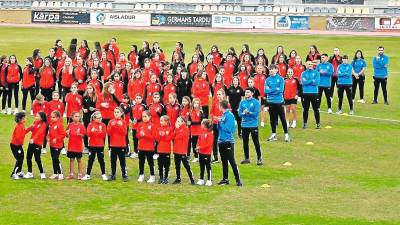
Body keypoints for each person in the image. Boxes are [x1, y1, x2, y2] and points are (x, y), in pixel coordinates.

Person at [217, 100, 242, 186]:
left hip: (228, 141)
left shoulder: (230, 115)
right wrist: (218, 122)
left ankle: (238, 180)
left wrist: (220, 122)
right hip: (221, 141)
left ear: (221, 106)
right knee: (224, 161)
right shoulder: (223, 115)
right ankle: (225, 179)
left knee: (231, 161)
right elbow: (220, 128)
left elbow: (229, 129)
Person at [265, 64, 290, 142]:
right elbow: (266, 91)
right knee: (272, 119)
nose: (271, 71)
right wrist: (275, 88)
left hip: (279, 102)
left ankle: (286, 134)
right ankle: (273, 134)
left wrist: (271, 90)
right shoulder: (267, 80)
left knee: (282, 118)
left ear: (276, 70)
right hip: (270, 102)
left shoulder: (281, 79)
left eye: (273, 69)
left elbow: (281, 90)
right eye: (270, 69)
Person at [81, 111, 108, 181]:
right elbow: (88, 134)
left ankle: (103, 174)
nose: (100, 119)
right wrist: (96, 132)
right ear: (94, 118)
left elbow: (103, 135)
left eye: (100, 118)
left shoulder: (103, 125)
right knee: (91, 160)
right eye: (98, 118)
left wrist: (95, 132)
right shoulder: (90, 125)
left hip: (100, 145)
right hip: (92, 145)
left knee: (101, 160)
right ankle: (87, 174)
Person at [238, 88, 262, 165]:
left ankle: (259, 158)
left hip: (253, 125)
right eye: (245, 92)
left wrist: (249, 112)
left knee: (256, 142)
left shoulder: (256, 102)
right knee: (245, 142)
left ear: (252, 93)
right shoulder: (242, 102)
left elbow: (256, 114)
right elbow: (239, 114)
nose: (246, 93)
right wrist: (243, 113)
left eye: (248, 92)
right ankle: (247, 158)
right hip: (244, 125)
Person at [23, 111, 47, 179]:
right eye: (36, 116)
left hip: (37, 144)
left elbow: (39, 132)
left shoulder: (44, 124)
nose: (35, 117)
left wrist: (33, 139)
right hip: (31, 143)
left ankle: (42, 173)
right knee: (28, 157)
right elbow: (31, 128)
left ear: (41, 118)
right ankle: (30, 173)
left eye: (37, 116)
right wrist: (23, 132)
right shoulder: (35, 122)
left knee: (37, 159)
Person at [107, 107, 128, 181]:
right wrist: (113, 126)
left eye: (117, 112)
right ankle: (113, 174)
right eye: (115, 112)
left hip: (121, 144)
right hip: (113, 144)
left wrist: (120, 126)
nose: (116, 113)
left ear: (121, 113)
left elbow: (124, 133)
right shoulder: (111, 122)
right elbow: (109, 133)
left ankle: (124, 175)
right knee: (113, 160)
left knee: (122, 161)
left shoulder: (123, 122)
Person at [172, 116, 195, 185]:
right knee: (177, 165)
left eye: (178, 121)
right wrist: (176, 129)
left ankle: (191, 178)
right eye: (177, 121)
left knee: (186, 165)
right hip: (176, 149)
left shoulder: (186, 129)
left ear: (183, 122)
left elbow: (179, 136)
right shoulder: (177, 129)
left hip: (182, 150)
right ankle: (178, 178)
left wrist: (177, 129)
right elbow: (173, 137)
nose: (177, 122)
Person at [136, 110, 156, 183]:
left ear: (149, 117)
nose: (144, 118)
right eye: (143, 116)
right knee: (141, 162)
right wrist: (139, 135)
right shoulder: (140, 124)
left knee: (150, 162)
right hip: (141, 147)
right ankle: (141, 175)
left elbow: (153, 137)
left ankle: (152, 176)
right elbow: (137, 136)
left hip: (149, 147)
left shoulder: (152, 125)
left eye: (145, 116)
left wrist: (145, 135)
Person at [65, 111, 86, 180]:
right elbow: (67, 135)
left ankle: (80, 174)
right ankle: (71, 174)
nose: (77, 118)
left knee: (79, 160)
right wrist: (67, 134)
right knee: (71, 160)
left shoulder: (81, 126)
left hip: (78, 146)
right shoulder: (70, 125)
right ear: (72, 117)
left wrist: (79, 134)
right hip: (71, 146)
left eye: (78, 116)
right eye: (76, 116)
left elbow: (83, 136)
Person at [301, 61, 321, 129]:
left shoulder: (316, 73)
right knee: (305, 109)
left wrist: (308, 81)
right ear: (306, 65)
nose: (309, 65)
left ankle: (318, 123)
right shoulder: (303, 73)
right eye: (308, 64)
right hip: (306, 93)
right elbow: (303, 82)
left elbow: (317, 82)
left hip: (314, 93)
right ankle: (305, 123)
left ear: (312, 65)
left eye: (311, 64)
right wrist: (312, 80)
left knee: (316, 109)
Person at [155, 115, 174, 184]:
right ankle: (160, 177)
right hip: (160, 150)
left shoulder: (170, 129)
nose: (161, 122)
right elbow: (157, 139)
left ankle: (166, 178)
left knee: (166, 165)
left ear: (167, 121)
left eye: (162, 121)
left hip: (167, 150)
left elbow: (169, 139)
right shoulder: (158, 128)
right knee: (160, 164)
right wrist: (160, 135)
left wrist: (164, 135)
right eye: (160, 121)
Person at [48, 111, 66, 180]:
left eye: (53, 117)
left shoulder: (59, 124)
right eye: (51, 117)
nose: (52, 118)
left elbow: (63, 134)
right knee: (53, 159)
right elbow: (50, 133)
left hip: (58, 145)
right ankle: (55, 173)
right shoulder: (51, 124)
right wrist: (48, 137)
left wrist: (56, 139)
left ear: (58, 117)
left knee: (56, 158)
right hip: (52, 144)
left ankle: (60, 173)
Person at [196, 119, 214, 186]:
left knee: (208, 166)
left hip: (207, 153)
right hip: (201, 152)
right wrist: (197, 146)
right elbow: (199, 140)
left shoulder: (210, 134)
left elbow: (209, 144)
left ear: (205, 125)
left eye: (202, 124)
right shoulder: (201, 132)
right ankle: (201, 179)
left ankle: (209, 180)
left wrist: (200, 147)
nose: (201, 125)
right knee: (201, 166)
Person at [10, 112, 28, 179]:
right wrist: (21, 143)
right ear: (21, 119)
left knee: (21, 157)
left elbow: (23, 133)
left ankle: (19, 172)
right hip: (15, 145)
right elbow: (18, 137)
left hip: (18, 145)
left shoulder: (22, 125)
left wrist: (29, 129)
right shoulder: (20, 126)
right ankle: (14, 173)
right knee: (20, 158)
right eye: (24, 118)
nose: (25, 119)